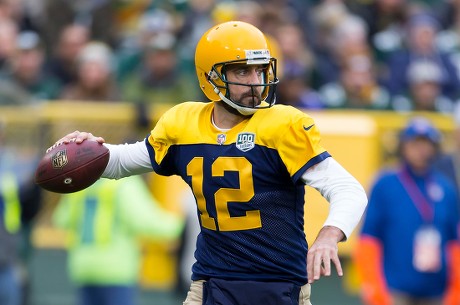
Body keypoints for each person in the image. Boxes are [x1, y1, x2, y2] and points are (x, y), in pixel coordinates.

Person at [50, 21, 368, 305]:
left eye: (259, 70)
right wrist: (88, 148)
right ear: (211, 76)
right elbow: (124, 162)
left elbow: (348, 189)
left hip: (280, 286)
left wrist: (329, 234)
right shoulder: (184, 122)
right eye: (242, 71)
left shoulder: (283, 125)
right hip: (211, 285)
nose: (255, 82)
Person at [354, 117, 460, 305]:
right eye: (415, 143)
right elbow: (368, 238)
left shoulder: (446, 189)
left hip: (437, 292)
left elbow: (454, 242)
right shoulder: (385, 184)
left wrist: (456, 290)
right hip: (394, 291)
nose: (421, 149)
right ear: (403, 146)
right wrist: (373, 286)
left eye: (426, 143)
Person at [53, 175, 183, 305]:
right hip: (116, 270)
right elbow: (145, 220)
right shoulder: (124, 183)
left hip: (83, 268)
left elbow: (61, 219)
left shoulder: (80, 182)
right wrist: (183, 227)